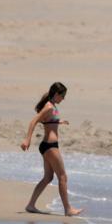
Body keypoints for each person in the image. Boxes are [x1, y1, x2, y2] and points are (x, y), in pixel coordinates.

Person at [20, 82, 82, 216]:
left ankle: (31, 205)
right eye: (63, 95)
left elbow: (48, 120)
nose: (64, 99)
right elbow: (34, 121)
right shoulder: (48, 106)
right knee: (63, 176)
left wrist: (59, 122)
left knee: (48, 177)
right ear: (56, 94)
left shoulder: (52, 106)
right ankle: (68, 209)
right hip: (50, 146)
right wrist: (27, 139)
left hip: (47, 146)